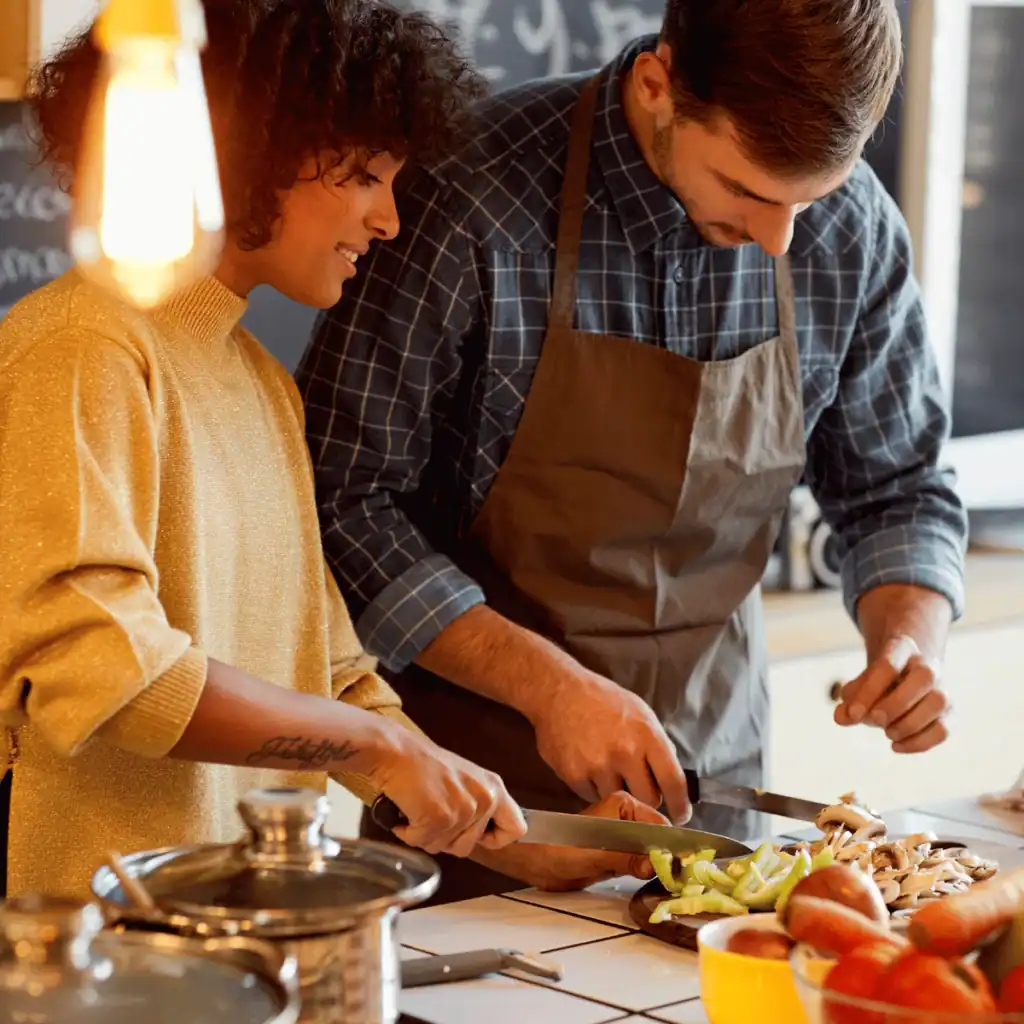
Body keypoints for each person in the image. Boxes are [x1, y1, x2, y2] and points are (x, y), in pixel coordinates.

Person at [297, 0, 969, 903]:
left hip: (721, 809)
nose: (780, 239)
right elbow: (339, 500)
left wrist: (908, 639)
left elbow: (900, 488)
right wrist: (550, 689)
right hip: (478, 815)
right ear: (658, 86)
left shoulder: (851, 230)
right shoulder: (467, 194)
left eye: (810, 198)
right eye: (748, 190)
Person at [0, 0, 665, 900]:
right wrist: (379, 747)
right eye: (360, 175)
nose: (389, 219)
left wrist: (507, 836)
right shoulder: (82, 349)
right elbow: (113, 673)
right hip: (94, 954)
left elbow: (336, 675)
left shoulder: (262, 384)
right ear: (245, 153)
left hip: (245, 934)